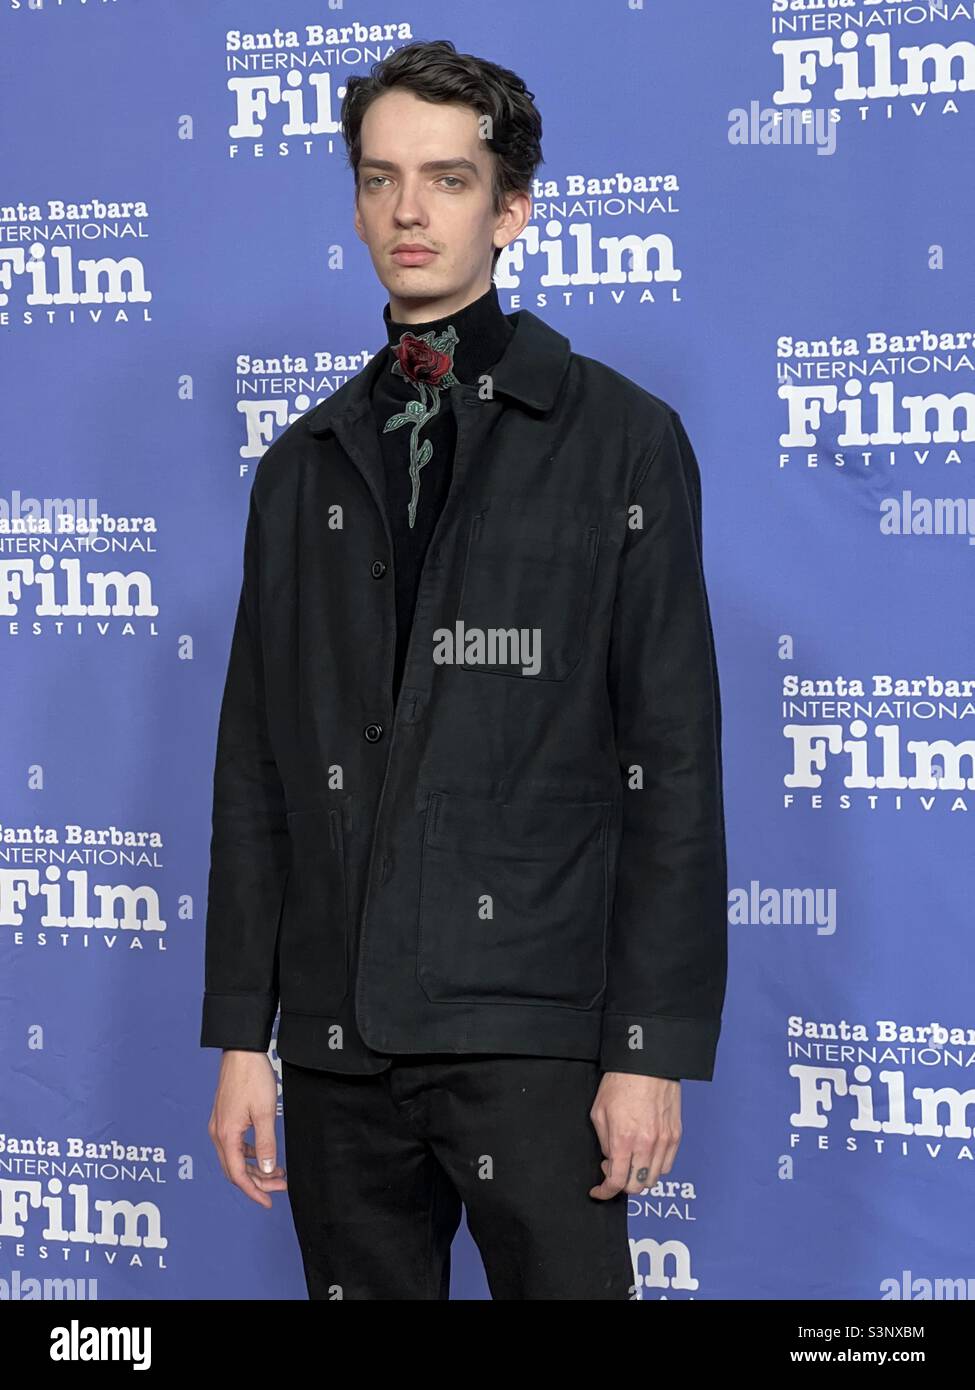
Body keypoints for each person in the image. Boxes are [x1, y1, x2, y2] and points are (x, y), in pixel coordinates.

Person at [201, 38, 728, 1301]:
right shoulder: (303, 465)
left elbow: (673, 763)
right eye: (380, 180)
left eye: (446, 178)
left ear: (512, 207)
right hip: (336, 1038)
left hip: (534, 1033)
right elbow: (255, 764)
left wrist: (645, 1049)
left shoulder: (621, 442)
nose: (409, 212)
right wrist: (240, 1034)